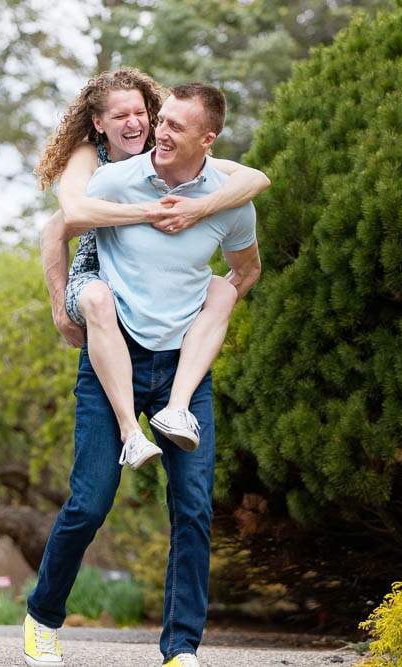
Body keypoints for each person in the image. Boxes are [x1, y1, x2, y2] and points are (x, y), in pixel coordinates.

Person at [24, 82, 262, 667]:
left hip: (182, 370)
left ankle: (181, 649)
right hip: (114, 364)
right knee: (89, 501)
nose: (157, 130)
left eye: (168, 123)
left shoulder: (228, 197)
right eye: (157, 121)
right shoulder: (110, 180)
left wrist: (210, 308)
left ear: (205, 139)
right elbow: (63, 222)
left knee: (193, 509)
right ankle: (42, 618)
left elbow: (245, 268)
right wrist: (61, 306)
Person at [36, 68, 269, 471]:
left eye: (142, 113)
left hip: (153, 291)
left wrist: (197, 208)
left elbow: (255, 178)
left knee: (220, 291)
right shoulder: (93, 159)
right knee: (97, 297)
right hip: (95, 274)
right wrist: (60, 307)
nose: (135, 124)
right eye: (120, 116)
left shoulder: (173, 155)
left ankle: (175, 408)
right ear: (98, 123)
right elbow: (63, 221)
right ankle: (130, 432)